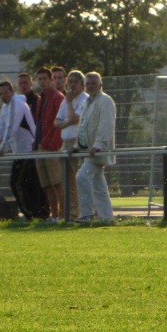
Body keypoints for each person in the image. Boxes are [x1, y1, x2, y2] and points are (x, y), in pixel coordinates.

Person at [0, 81, 37, 220]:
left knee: (18, 183)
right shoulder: (5, 107)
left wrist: (1, 149)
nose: (3, 96)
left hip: (27, 151)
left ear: (12, 91)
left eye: (5, 92)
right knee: (22, 183)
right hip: (19, 152)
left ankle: (30, 214)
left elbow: (11, 129)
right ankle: (31, 214)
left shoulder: (17, 104)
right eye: (0, 93)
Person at [70, 72, 116, 224]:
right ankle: (107, 218)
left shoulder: (105, 101)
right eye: (88, 84)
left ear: (100, 85)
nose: (90, 86)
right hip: (89, 150)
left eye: (93, 83)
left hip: (97, 151)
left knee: (82, 177)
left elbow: (106, 125)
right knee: (98, 185)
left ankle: (87, 214)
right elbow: (83, 127)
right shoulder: (87, 102)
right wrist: (77, 146)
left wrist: (99, 145)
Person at [54, 70, 89, 221]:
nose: (72, 85)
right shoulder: (66, 100)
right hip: (65, 144)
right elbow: (56, 123)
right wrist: (68, 121)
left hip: (77, 142)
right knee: (67, 181)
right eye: (70, 82)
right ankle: (71, 213)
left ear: (82, 84)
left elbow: (75, 119)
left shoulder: (84, 99)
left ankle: (85, 212)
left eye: (75, 82)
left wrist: (68, 107)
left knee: (79, 179)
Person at [33, 67, 65, 222]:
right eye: (39, 79)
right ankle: (54, 215)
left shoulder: (57, 98)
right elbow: (40, 123)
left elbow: (58, 124)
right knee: (46, 183)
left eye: (45, 78)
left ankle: (65, 214)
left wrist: (53, 144)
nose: (42, 81)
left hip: (51, 146)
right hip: (40, 145)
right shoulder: (40, 99)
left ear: (51, 79)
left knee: (57, 182)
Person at [17, 72, 46, 218]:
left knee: (36, 182)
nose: (23, 85)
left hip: (35, 146)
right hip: (22, 149)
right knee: (24, 182)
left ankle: (39, 211)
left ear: (31, 83)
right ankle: (30, 212)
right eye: (20, 83)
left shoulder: (37, 100)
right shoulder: (17, 102)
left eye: (25, 82)